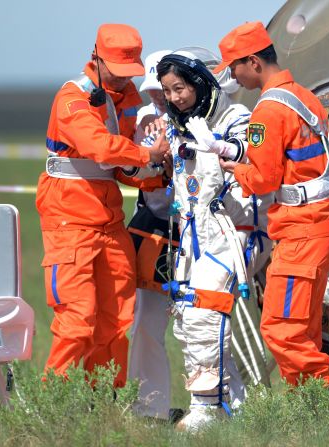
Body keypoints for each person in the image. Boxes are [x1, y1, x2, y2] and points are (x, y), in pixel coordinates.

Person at [36, 24, 170, 388]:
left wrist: (158, 174)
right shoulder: (72, 98)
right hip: (70, 223)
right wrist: (147, 154)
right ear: (96, 58)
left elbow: (122, 168)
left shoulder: (127, 99)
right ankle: (53, 406)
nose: (126, 80)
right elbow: (98, 147)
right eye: (118, 70)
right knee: (77, 320)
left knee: (117, 322)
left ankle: (105, 402)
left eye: (131, 72)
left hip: (109, 223)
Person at [215, 22, 329, 387]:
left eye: (233, 67)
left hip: (301, 227)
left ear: (253, 62)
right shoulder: (303, 96)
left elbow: (263, 180)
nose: (232, 77)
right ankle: (311, 406)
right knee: (302, 326)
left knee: (281, 328)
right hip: (321, 221)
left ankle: (322, 404)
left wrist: (234, 168)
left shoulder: (267, 111)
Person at [153, 47, 272, 431]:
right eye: (168, 91)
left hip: (237, 232)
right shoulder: (175, 124)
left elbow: (248, 152)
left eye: (180, 88)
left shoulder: (239, 117)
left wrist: (214, 144)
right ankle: (233, 406)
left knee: (204, 311)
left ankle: (206, 408)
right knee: (189, 318)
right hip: (195, 235)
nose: (174, 98)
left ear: (201, 83)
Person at [126, 49, 177, 421]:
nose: (157, 99)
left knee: (202, 327)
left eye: (165, 90)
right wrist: (156, 155)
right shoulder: (146, 121)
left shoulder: (203, 119)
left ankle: (223, 406)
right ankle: (149, 408)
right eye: (153, 91)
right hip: (155, 233)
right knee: (145, 322)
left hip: (198, 234)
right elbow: (139, 174)